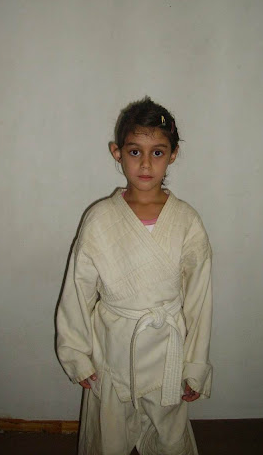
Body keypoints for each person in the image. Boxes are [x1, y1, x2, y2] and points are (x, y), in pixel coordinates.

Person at [56, 97, 213, 455]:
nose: (145, 164)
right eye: (134, 151)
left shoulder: (187, 221)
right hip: (114, 344)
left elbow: (200, 299)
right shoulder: (99, 218)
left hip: (166, 348)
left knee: (169, 436)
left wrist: (195, 364)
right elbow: (78, 290)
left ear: (172, 155)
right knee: (108, 435)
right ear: (117, 152)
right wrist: (77, 353)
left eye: (157, 153)